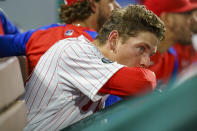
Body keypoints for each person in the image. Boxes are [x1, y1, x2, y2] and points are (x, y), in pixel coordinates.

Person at [23, 5, 165, 130]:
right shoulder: (75, 51)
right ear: (114, 40)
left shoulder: (99, 61)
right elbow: (143, 82)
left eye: (150, 54)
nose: (146, 62)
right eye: (141, 49)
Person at [0, 0, 120, 74]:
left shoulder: (38, 34)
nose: (117, 7)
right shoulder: (107, 47)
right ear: (93, 5)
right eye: (110, 1)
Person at [142, 0, 197, 89]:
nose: (194, 20)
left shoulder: (171, 58)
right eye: (187, 15)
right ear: (166, 18)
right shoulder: (128, 59)